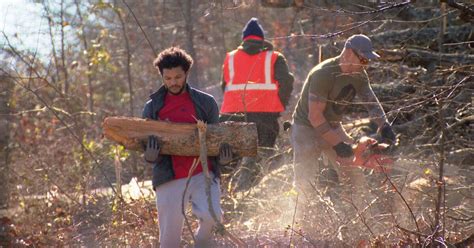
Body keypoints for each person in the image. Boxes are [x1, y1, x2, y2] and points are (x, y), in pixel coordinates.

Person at [291, 34, 396, 210]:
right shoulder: (323, 74)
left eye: (367, 61)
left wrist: (384, 126)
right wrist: (339, 144)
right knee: (305, 182)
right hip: (306, 130)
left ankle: (357, 220)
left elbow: (371, 102)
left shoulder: (359, 75)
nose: (365, 64)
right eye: (362, 59)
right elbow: (315, 117)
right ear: (348, 53)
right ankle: (297, 223)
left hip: (332, 125)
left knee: (354, 176)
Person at [142, 47, 232, 247]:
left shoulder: (205, 103)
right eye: (168, 78)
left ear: (186, 74)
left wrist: (223, 159)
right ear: (162, 76)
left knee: (213, 217)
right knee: (169, 240)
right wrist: (150, 155)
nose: (173, 82)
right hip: (169, 175)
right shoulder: (152, 107)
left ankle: (202, 244)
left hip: (203, 172)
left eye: (178, 77)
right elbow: (143, 143)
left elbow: (216, 139)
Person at [219, 17, 294, 190]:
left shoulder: (230, 58)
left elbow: (225, 86)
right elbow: (287, 83)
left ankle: (223, 199)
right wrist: (278, 104)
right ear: (262, 39)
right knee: (260, 162)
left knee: (228, 162)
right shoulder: (275, 58)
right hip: (265, 119)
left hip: (232, 118)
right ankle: (248, 201)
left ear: (244, 40)